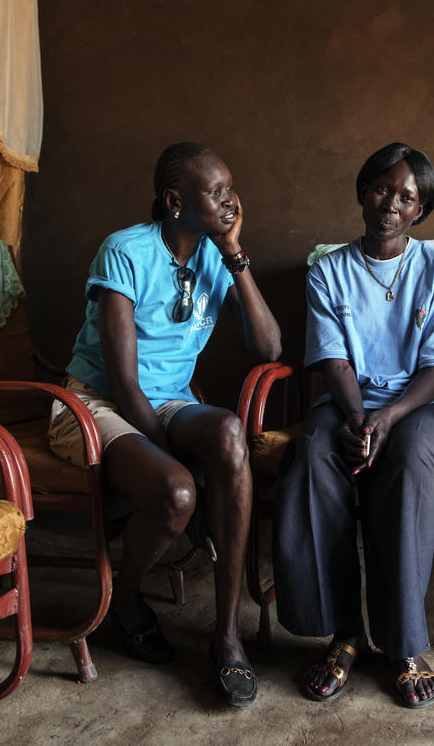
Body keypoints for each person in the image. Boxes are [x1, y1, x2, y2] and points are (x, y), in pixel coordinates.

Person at [48, 142, 280, 707]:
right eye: (216, 192)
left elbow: (269, 345)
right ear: (175, 201)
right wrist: (190, 481)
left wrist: (233, 251)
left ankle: (226, 636)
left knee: (229, 431)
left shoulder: (211, 254)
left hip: (171, 401)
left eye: (230, 189)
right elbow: (125, 383)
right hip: (96, 403)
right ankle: (122, 600)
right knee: (177, 492)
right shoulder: (125, 251)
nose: (230, 200)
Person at [272, 142, 434, 709]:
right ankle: (344, 634)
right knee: (311, 454)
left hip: (425, 402)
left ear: (420, 211)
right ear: (363, 190)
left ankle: (404, 645)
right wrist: (360, 416)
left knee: (408, 459)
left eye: (407, 197)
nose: (391, 203)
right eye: (382, 188)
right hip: (349, 397)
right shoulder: (328, 271)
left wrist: (389, 417)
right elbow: (332, 359)